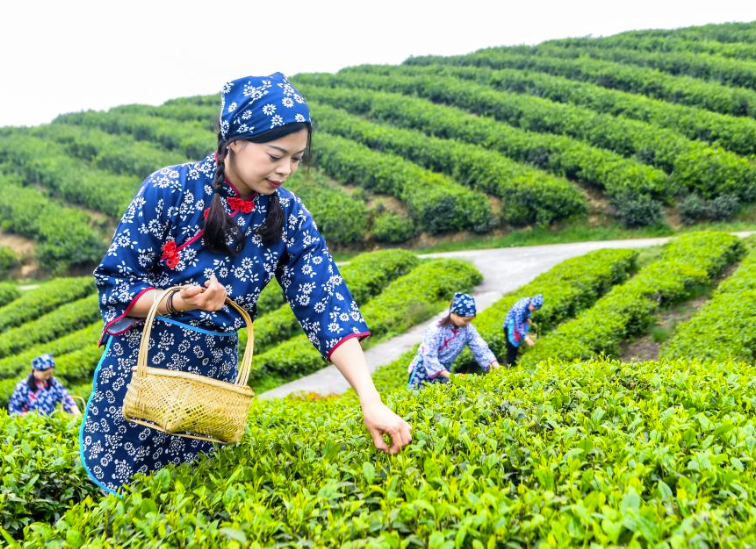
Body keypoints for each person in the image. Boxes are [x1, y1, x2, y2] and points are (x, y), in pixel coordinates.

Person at [80, 73, 412, 495]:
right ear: (234, 141)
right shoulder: (169, 189)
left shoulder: (288, 215)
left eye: (296, 159)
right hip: (142, 377)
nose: (285, 170)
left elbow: (326, 305)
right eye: (275, 155)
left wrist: (370, 399)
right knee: (128, 506)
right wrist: (177, 301)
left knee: (195, 501)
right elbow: (117, 282)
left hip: (212, 393)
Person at [407, 292, 500, 389]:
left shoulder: (467, 329)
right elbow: (429, 356)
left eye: (470, 320)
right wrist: (451, 376)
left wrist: (496, 366)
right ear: (454, 313)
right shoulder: (435, 329)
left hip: (445, 371)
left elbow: (480, 347)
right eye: (465, 320)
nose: (468, 323)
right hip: (423, 369)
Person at [8, 354, 80, 416]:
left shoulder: (53, 383)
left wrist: (75, 411)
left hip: (50, 422)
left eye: (50, 374)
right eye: (45, 374)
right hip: (31, 425)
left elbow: (65, 397)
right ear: (35, 370)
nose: (48, 377)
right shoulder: (22, 387)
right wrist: (25, 416)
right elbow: (13, 410)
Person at [503, 294, 544, 366]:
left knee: (515, 346)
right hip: (510, 326)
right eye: (533, 307)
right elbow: (518, 326)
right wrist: (527, 339)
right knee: (511, 347)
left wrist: (527, 318)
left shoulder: (529, 301)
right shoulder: (521, 309)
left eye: (535, 309)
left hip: (516, 325)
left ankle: (513, 361)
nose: (533, 309)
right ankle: (510, 365)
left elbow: (526, 313)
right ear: (531, 303)